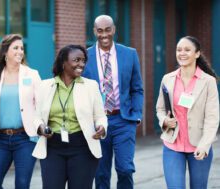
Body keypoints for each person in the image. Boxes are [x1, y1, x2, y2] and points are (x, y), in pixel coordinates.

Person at [32, 44, 107, 189]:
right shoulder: (45, 86)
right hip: (52, 148)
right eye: (76, 60)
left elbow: (100, 116)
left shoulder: (91, 86)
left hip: (82, 147)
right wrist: (41, 127)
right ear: (63, 62)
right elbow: (37, 117)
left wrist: (102, 127)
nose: (81, 64)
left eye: (83, 61)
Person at [82, 15, 144, 189]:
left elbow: (137, 88)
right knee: (101, 172)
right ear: (94, 31)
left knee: (125, 169)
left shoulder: (129, 54)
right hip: (97, 122)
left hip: (123, 120)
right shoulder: (85, 56)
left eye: (107, 30)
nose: (104, 35)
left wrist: (136, 115)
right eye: (100, 31)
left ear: (114, 29)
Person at [156, 36, 219, 188]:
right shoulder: (167, 79)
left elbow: (212, 117)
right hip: (173, 145)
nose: (182, 53)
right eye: (179, 50)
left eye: (187, 50)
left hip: (199, 146)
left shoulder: (208, 81)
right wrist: (164, 120)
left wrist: (205, 144)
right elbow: (160, 109)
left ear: (197, 54)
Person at [0, 33, 41, 189]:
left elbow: (41, 105)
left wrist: (40, 127)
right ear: (5, 52)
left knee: (22, 184)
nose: (20, 51)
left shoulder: (32, 75)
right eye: (15, 48)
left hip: (25, 139)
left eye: (22, 48)